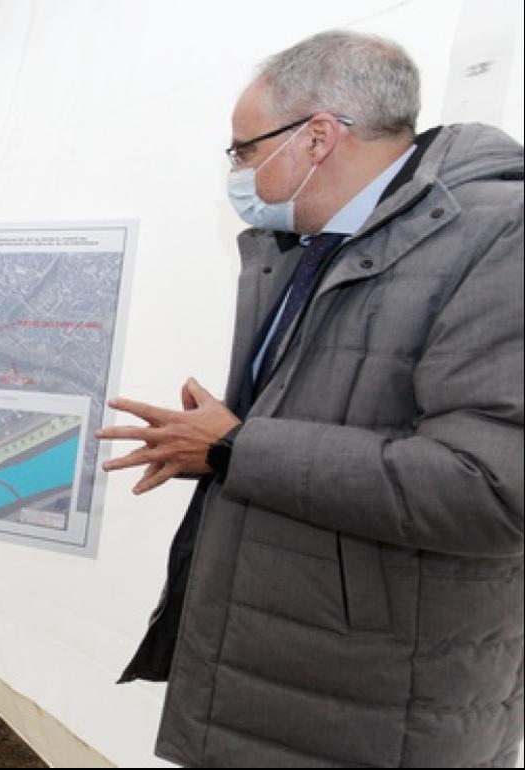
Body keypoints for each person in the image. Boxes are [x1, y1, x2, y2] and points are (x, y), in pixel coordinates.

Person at [98, 31, 523, 767]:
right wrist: (222, 447)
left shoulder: (498, 237)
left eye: (243, 150)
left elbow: (490, 488)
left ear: (317, 138)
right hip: (285, 669)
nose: (237, 172)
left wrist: (236, 447)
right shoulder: (315, 244)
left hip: (377, 707)